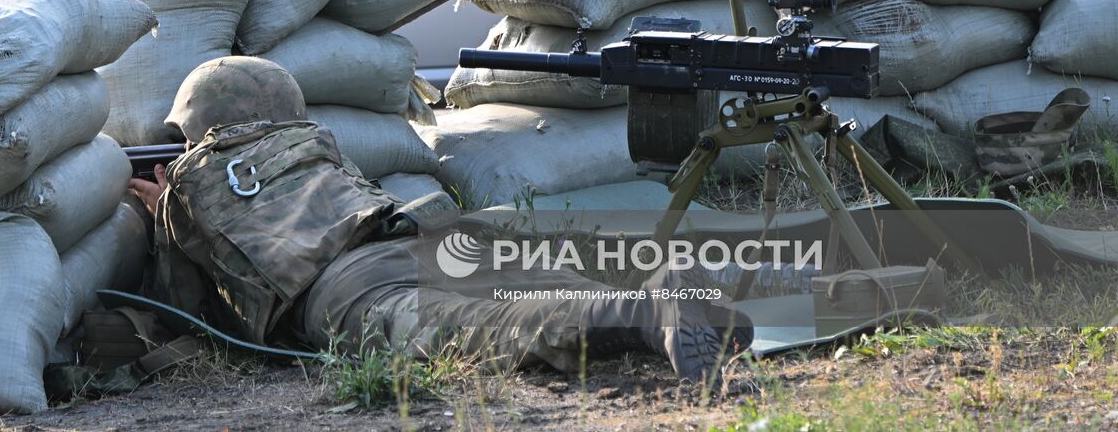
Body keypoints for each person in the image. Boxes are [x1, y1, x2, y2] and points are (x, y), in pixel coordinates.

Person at [127, 56, 751, 385]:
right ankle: (666, 297)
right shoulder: (314, 142)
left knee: (472, 328)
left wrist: (168, 220)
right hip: (419, 236)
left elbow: (183, 311)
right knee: (523, 286)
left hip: (348, 289)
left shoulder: (193, 181)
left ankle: (648, 315)